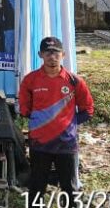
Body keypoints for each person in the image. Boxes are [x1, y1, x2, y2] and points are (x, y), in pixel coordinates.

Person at [18, 37, 94, 206]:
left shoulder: (75, 81)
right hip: (39, 144)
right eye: (47, 53)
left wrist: (69, 123)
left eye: (56, 53)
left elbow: (88, 109)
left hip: (66, 144)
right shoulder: (30, 80)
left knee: (70, 189)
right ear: (40, 54)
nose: (52, 57)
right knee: (36, 187)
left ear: (63, 55)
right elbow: (24, 109)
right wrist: (41, 121)